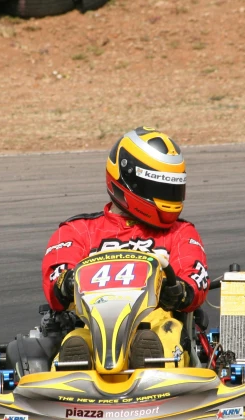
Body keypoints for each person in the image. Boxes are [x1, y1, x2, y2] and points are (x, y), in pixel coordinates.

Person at [41, 126, 209, 369]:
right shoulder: (78, 230)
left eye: (174, 189)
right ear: (130, 183)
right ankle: (76, 369)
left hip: (156, 323)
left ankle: (149, 363)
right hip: (92, 324)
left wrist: (179, 291)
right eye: (162, 190)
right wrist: (67, 282)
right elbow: (55, 286)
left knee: (163, 335)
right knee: (77, 340)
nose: (170, 199)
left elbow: (195, 280)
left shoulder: (180, 233)